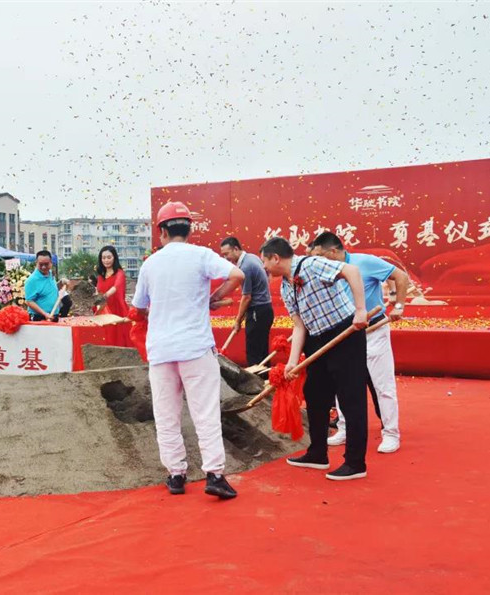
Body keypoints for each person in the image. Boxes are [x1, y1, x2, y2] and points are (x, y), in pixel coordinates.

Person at [132, 201, 245, 500]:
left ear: (162, 231)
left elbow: (139, 309)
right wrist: (212, 298)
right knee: (205, 412)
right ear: (189, 229)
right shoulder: (202, 256)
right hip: (195, 347)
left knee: (167, 415)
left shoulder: (150, 263)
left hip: (161, 350)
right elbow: (238, 276)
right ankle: (215, 475)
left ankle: (176, 475)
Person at [260, 236, 369, 481]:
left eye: (265, 261)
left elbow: (351, 270)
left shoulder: (311, 265)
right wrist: (292, 362)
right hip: (316, 340)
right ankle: (318, 453)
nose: (264, 267)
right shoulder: (285, 286)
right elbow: (299, 326)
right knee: (315, 396)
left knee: (351, 400)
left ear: (275, 258)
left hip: (344, 334)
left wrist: (360, 310)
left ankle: (355, 462)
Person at [310, 232, 409, 454]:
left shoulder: (364, 262)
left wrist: (398, 306)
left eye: (321, 256)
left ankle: (391, 433)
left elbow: (401, 276)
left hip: (373, 330)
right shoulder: (326, 272)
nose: (319, 262)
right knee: (342, 385)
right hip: (344, 334)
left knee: (382, 386)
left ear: (334, 251)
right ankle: (344, 430)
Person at [220, 236, 274, 365]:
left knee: (254, 352)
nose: (226, 258)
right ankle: (265, 381)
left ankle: (256, 383)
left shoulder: (245, 267)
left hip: (257, 311)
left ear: (236, 249)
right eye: (223, 255)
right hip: (265, 309)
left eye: (227, 254)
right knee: (262, 350)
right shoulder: (252, 257)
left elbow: (246, 297)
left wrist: (238, 320)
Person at [94, 245, 131, 346]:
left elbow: (116, 287)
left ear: (114, 258)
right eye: (103, 258)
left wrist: (103, 296)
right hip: (104, 310)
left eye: (109, 257)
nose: (106, 260)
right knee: (106, 338)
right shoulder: (101, 276)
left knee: (120, 339)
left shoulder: (120, 273)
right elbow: (98, 291)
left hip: (118, 310)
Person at [24, 250, 58, 321]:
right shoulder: (32, 280)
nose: (43, 267)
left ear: (51, 263)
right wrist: (45, 314)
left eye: (46, 264)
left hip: (53, 315)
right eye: (41, 264)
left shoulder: (50, 274)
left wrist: (61, 282)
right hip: (39, 318)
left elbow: (51, 289)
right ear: (36, 263)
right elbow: (29, 301)